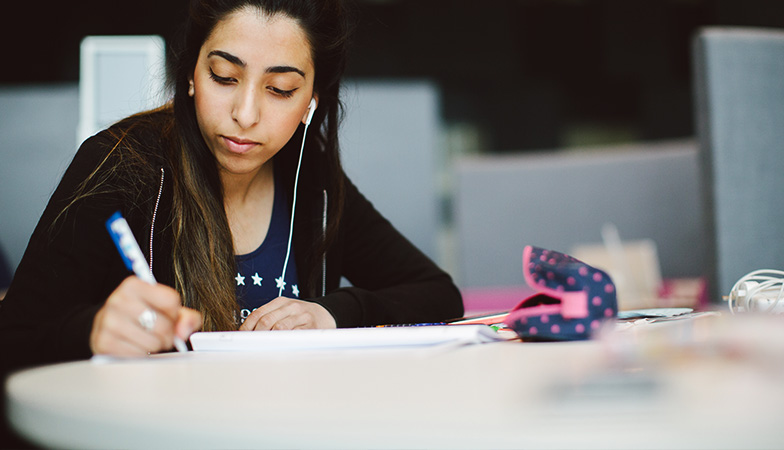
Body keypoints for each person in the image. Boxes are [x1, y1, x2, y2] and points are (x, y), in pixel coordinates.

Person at [0, 0, 463, 372]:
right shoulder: (122, 164)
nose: (245, 114)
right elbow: (16, 336)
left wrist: (332, 312)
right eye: (224, 77)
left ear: (312, 99)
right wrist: (91, 330)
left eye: (280, 88)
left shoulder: (309, 178)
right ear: (190, 75)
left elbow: (435, 292)